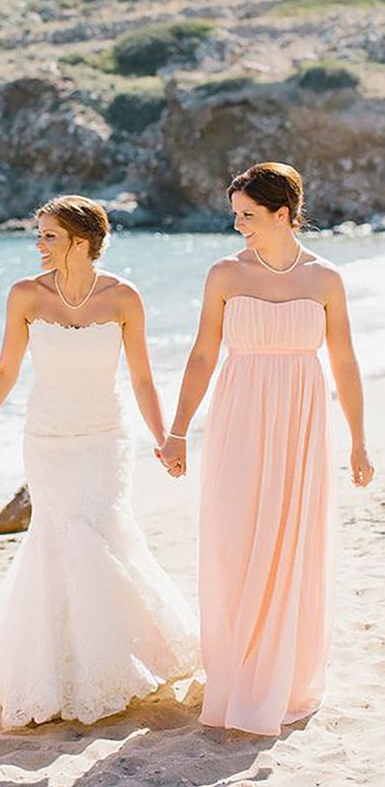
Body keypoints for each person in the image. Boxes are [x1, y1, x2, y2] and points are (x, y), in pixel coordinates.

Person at [0, 194, 198, 727]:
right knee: (60, 542)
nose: (38, 245)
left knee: (106, 535)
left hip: (106, 438)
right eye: (39, 235)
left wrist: (166, 438)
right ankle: (58, 668)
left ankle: (118, 660)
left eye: (49, 236)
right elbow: (4, 372)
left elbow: (144, 377)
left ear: (80, 243)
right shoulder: (25, 296)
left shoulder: (124, 297)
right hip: (48, 439)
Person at [158, 162, 374, 735]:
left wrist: (358, 440)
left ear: (284, 214)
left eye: (248, 216)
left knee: (291, 540)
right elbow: (203, 354)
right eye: (235, 216)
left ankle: (285, 671)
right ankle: (238, 667)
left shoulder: (325, 278)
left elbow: (345, 362)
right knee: (236, 537)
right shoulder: (225, 274)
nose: (239, 227)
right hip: (238, 420)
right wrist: (178, 429)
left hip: (303, 423)